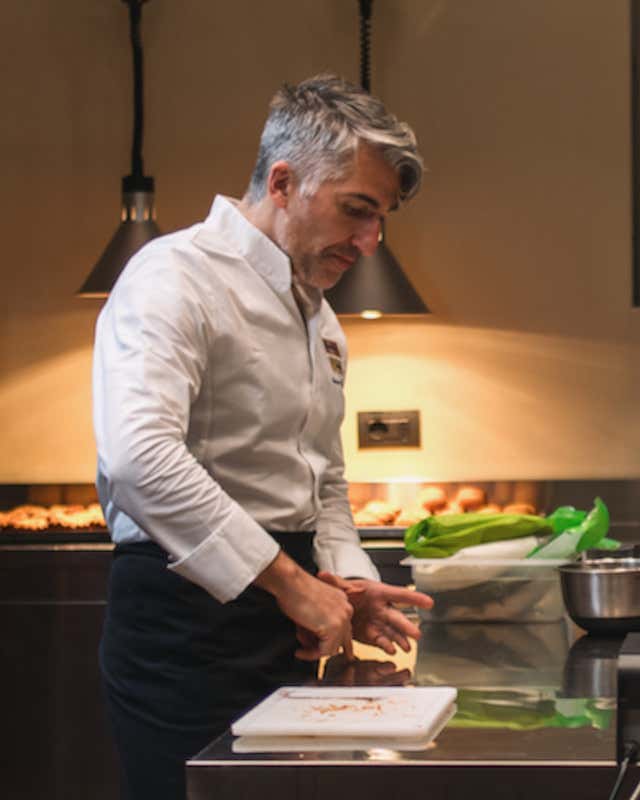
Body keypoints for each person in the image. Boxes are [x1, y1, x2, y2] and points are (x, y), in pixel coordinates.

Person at [92, 74, 434, 800]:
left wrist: (346, 584)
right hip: (182, 627)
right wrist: (292, 583)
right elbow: (139, 460)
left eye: (380, 219)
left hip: (286, 620)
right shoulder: (172, 277)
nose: (370, 242)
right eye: (357, 211)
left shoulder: (321, 317)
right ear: (282, 182)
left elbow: (323, 480)